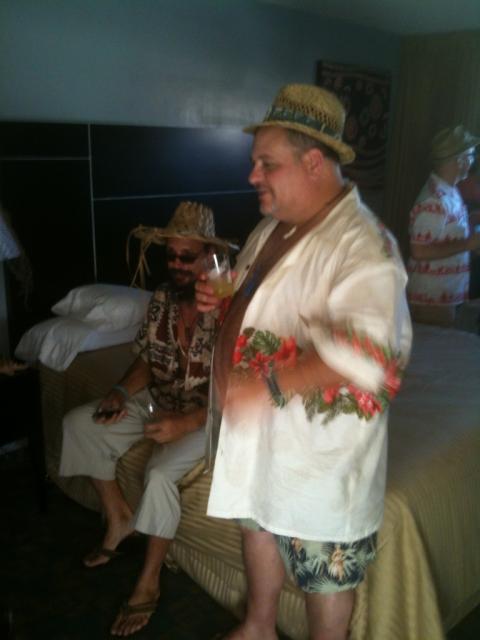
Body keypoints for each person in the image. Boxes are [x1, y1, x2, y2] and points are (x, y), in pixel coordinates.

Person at [196, 84, 412, 640]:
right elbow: (263, 296)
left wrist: (265, 385)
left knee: (324, 575)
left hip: (318, 459)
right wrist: (224, 298)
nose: (252, 176)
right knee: (258, 524)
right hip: (261, 438)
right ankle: (258, 626)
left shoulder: (366, 248)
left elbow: (373, 356)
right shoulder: (273, 226)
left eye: (266, 164)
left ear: (313, 162)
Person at [59, 201, 225, 636]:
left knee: (160, 472)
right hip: (160, 398)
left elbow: (243, 386)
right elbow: (148, 360)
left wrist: (186, 424)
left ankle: (148, 580)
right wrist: (119, 391)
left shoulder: (231, 307)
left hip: (212, 415)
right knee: (80, 424)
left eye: (187, 256)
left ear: (210, 255)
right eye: (171, 255)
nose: (177, 264)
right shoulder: (163, 299)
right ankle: (119, 518)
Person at [407, 125, 480, 327]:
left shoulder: (449, 190)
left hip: (444, 292)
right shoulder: (434, 201)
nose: (473, 161)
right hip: (432, 297)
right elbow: (419, 251)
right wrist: (468, 244)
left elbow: (445, 233)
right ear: (460, 160)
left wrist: (473, 223)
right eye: (471, 155)